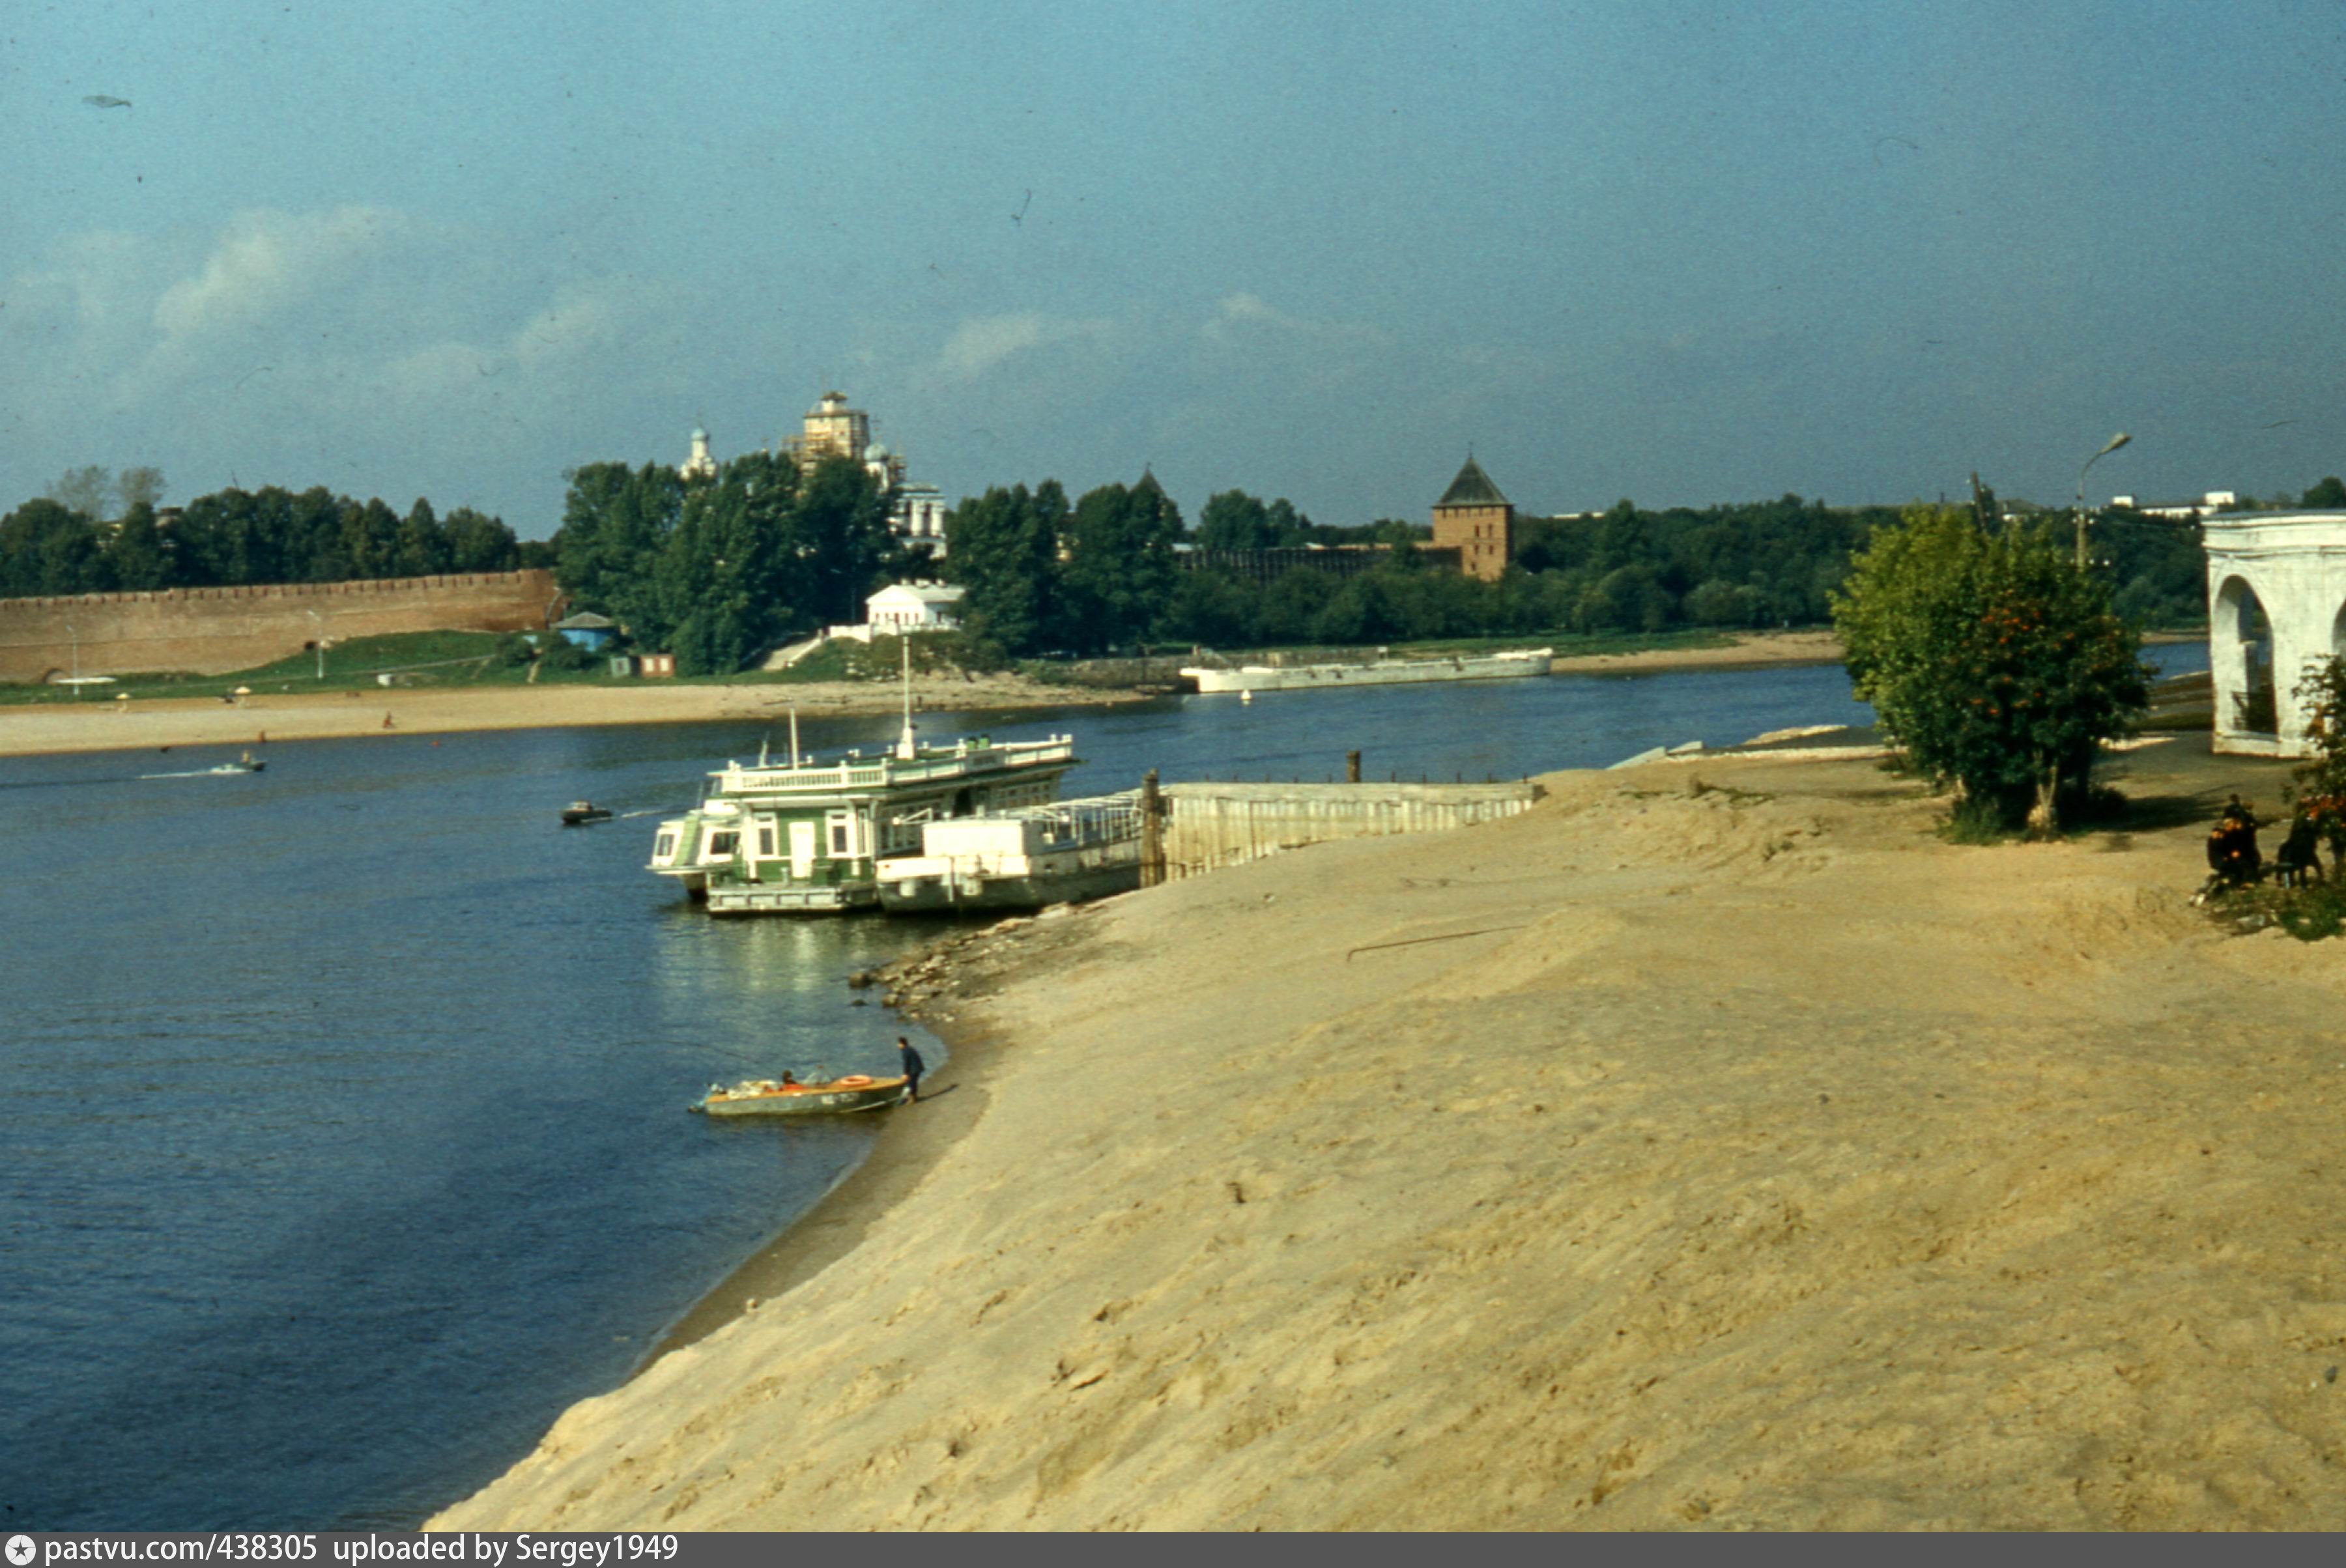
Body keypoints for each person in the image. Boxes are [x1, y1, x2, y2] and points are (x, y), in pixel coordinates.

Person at [898, 1036, 925, 1104]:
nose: (898, 1046)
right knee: (913, 1083)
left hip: (914, 1069)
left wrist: (905, 1074)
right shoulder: (910, 1049)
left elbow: (906, 1063)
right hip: (918, 1068)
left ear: (902, 1044)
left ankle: (910, 1099)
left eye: (898, 1044)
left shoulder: (905, 1051)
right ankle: (914, 1097)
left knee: (909, 1084)